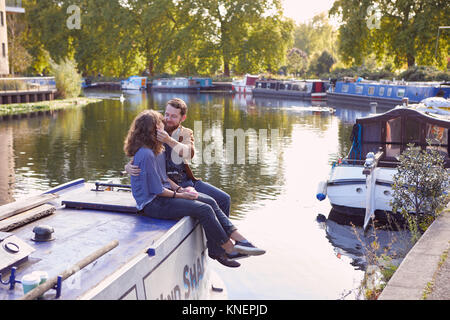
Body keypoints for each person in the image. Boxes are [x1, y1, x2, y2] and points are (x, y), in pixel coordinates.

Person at [124, 110, 265, 268]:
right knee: (203, 209)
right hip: (152, 204)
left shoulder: (158, 149)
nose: (164, 122)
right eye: (161, 122)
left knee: (211, 201)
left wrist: (180, 190)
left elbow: (165, 179)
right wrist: (182, 196)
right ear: (154, 129)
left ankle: (241, 240)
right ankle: (229, 248)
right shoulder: (146, 154)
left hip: (164, 196)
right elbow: (158, 190)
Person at [125, 98, 232, 217]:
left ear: (183, 118)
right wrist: (128, 166)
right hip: (167, 183)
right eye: (167, 114)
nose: (168, 119)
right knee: (206, 206)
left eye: (174, 116)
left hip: (186, 180)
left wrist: (168, 140)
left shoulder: (185, 133)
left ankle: (224, 233)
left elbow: (189, 153)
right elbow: (140, 154)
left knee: (224, 199)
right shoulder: (156, 129)